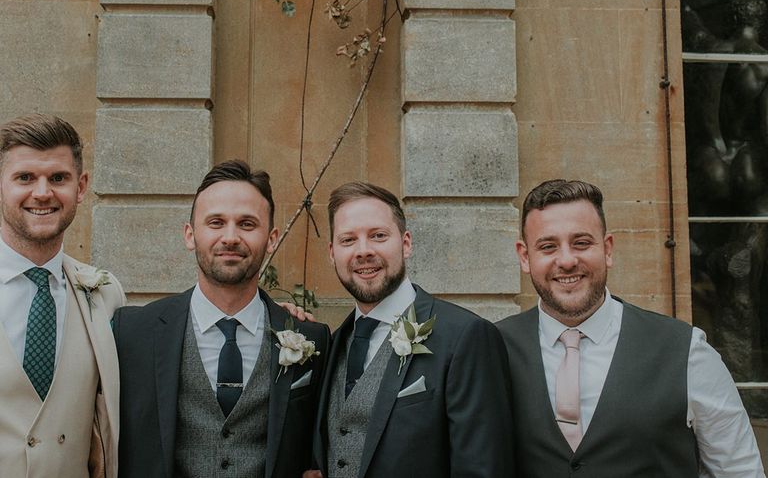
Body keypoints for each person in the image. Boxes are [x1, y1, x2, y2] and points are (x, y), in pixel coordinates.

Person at [497, 178, 766, 477]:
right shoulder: (491, 349)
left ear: (608, 248)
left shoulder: (686, 351)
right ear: (524, 256)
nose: (567, 260)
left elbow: (739, 470)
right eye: (548, 246)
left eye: (581, 243)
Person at [114, 159, 330, 478]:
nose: (230, 237)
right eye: (216, 222)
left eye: (247, 224)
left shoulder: (311, 338)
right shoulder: (131, 332)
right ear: (190, 235)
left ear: (271, 239)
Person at [305, 181, 514, 478]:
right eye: (348, 240)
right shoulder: (331, 343)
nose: (363, 251)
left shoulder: (466, 336)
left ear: (405, 243)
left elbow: (484, 468)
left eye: (378, 236)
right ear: (332, 253)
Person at [0, 113, 125, 478]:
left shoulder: (106, 294)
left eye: (58, 178)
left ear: (81, 186)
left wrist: (272, 317)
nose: (42, 193)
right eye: (25, 178)